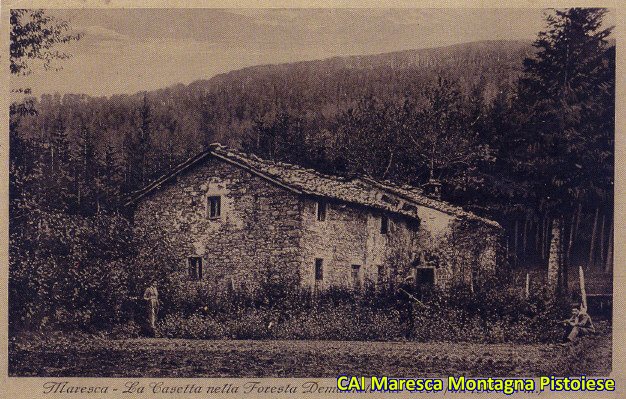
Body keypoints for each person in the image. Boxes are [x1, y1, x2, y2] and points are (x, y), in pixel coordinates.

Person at [395, 275, 416, 339]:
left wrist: (412, 296)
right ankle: (402, 335)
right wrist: (407, 296)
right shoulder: (403, 286)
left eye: (412, 280)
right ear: (407, 281)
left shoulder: (411, 287)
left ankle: (408, 335)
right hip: (403, 305)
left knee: (411, 320)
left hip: (409, 304)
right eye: (410, 280)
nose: (411, 282)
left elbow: (413, 295)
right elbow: (399, 295)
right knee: (404, 319)